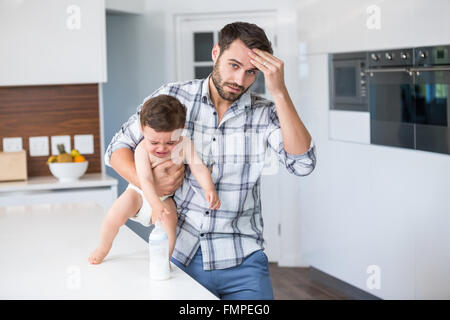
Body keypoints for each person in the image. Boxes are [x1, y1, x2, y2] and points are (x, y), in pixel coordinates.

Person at [104, 21, 316, 299]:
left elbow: (302, 163)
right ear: (216, 53)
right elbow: (116, 150)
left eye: (252, 72)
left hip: (244, 261)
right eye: (234, 65)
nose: (240, 80)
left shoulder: (266, 113)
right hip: (180, 255)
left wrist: (279, 92)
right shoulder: (173, 96)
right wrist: (150, 186)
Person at [89, 94, 220, 265]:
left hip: (165, 199)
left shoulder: (186, 145)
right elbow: (145, 180)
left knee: (170, 227)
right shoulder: (142, 150)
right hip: (138, 193)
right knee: (114, 215)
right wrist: (154, 204)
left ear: (182, 130)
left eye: (170, 142)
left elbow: (198, 167)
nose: (161, 148)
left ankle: (164, 261)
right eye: (154, 142)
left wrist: (209, 188)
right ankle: (103, 247)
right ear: (142, 131)